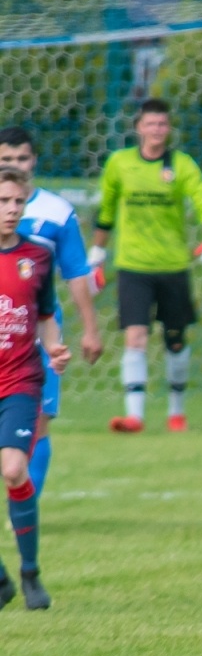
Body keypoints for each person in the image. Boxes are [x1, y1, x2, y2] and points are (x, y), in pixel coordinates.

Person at [91, 98, 202, 434]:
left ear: (169, 128)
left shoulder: (181, 165)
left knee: (175, 341)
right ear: (138, 127)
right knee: (135, 336)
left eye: (162, 124)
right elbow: (106, 212)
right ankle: (134, 416)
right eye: (151, 124)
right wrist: (96, 254)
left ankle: (176, 411)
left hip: (173, 266)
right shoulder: (119, 164)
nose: (157, 130)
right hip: (133, 266)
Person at [0, 126, 105, 493]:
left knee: (39, 420)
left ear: (34, 160)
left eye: (22, 158)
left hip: (35, 336)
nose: (16, 165)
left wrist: (90, 329)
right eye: (7, 159)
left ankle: (24, 508)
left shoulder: (57, 211)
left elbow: (76, 272)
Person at [0, 166, 72, 609]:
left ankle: (30, 574)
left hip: (20, 381)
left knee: (12, 469)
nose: (11, 210)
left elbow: (44, 315)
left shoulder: (36, 258)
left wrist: (56, 349)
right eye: (3, 202)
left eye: (17, 203)